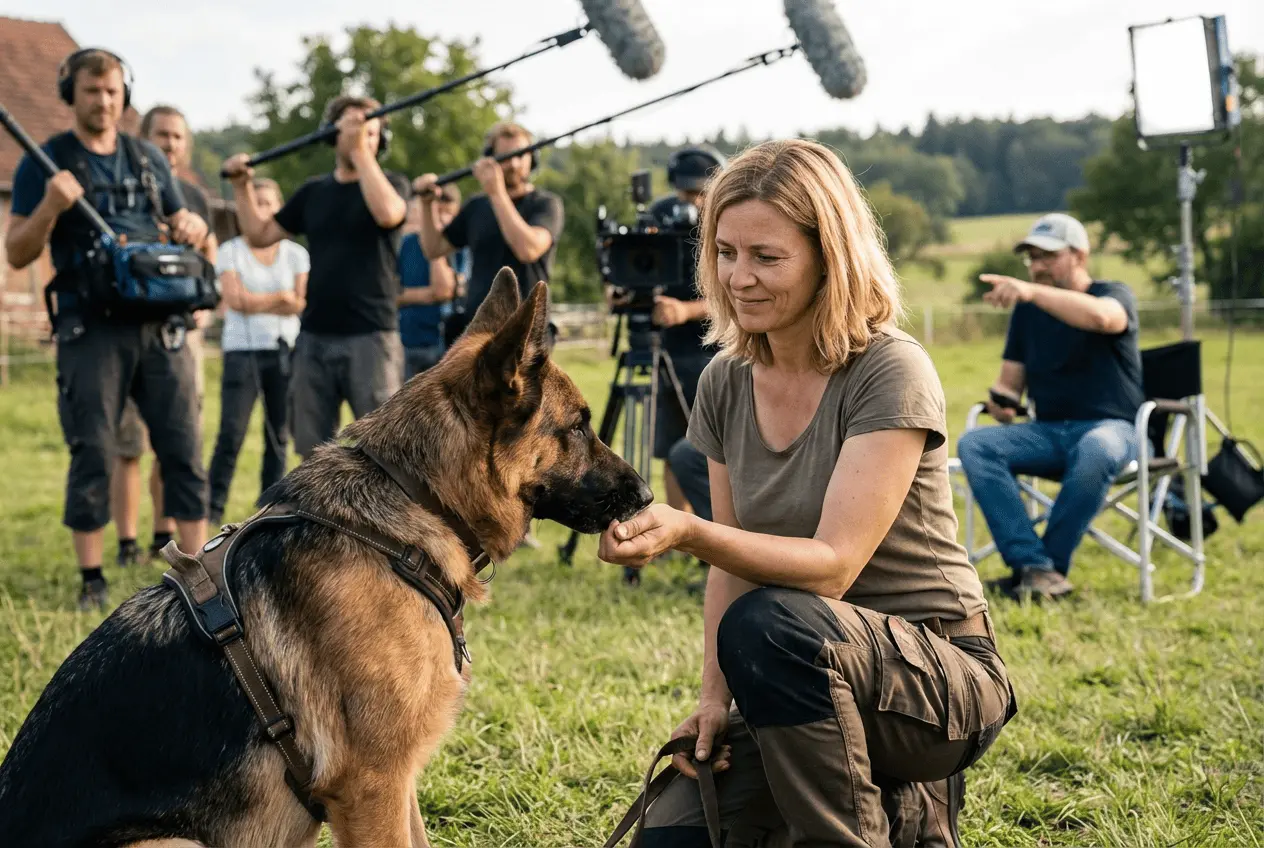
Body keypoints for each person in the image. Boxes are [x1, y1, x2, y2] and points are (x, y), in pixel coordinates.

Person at [596, 139, 1016, 846]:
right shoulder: (725, 381)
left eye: (767, 257)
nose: (739, 278)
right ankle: (893, 810)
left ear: (830, 257)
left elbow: (834, 565)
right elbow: (732, 567)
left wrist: (688, 531)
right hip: (795, 681)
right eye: (725, 253)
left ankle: (878, 815)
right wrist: (711, 701)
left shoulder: (890, 369)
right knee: (672, 838)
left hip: (937, 682)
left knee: (770, 622)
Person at [5, 48, 210, 610]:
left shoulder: (147, 158)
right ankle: (92, 578)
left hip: (159, 324)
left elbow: (178, 222)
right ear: (71, 93)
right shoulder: (45, 162)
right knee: (92, 447)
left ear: (126, 95)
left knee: (183, 450)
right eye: (93, 91)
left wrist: (188, 222)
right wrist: (50, 206)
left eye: (114, 91)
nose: (104, 102)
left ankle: (197, 577)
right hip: (91, 329)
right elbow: (18, 251)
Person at [957, 213, 1144, 601]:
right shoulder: (1028, 313)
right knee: (976, 444)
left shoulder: (1112, 293)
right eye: (1032, 258)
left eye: (1047, 256)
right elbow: (1010, 383)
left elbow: (1102, 318)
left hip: (1115, 430)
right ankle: (1033, 565)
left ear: (1079, 255)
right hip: (1049, 432)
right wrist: (1002, 402)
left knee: (1096, 447)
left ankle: (1046, 569)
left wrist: (1029, 293)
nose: (1037, 267)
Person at [222, 95, 410, 460]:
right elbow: (260, 234)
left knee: (385, 453)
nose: (362, 138)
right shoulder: (313, 192)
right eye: (353, 130)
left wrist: (360, 154)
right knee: (311, 453)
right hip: (313, 339)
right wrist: (242, 187)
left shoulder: (393, 184)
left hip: (371, 338)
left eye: (371, 133)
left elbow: (388, 214)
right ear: (330, 135)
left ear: (380, 142)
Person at [112, 104, 218, 564]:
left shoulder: (193, 196)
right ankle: (125, 542)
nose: (169, 144)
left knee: (177, 441)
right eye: (161, 135)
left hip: (181, 336)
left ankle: (165, 533)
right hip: (129, 331)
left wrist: (206, 314)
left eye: (177, 136)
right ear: (143, 139)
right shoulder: (128, 191)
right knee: (129, 442)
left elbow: (209, 260)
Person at [205, 178, 309, 525]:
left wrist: (262, 302)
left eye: (268, 203)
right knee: (231, 433)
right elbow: (235, 300)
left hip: (283, 351)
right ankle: (211, 508)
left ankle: (270, 509)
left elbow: (298, 304)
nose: (262, 209)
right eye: (256, 203)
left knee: (278, 433)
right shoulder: (229, 250)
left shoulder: (296, 254)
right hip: (242, 352)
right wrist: (279, 299)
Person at [413, 121, 565, 347]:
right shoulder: (476, 206)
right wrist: (427, 206)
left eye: (520, 155)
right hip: (478, 334)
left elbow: (528, 249)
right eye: (505, 156)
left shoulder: (546, 204)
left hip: (527, 335)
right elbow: (433, 248)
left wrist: (496, 192)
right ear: (490, 159)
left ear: (532, 159)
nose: (513, 164)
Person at [645, 146, 726, 527]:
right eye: (686, 192)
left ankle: (713, 528)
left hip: (713, 351)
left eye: (699, 193)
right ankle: (678, 529)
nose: (691, 201)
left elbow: (733, 297)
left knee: (713, 448)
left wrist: (686, 311)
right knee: (669, 446)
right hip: (667, 350)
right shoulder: (660, 215)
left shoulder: (727, 221)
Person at [398, 180, 466, 379]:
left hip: (444, 343)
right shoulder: (406, 244)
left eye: (448, 215)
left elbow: (444, 290)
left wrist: (436, 247)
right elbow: (388, 293)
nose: (442, 220)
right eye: (437, 213)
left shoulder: (461, 247)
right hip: (407, 341)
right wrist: (428, 294)